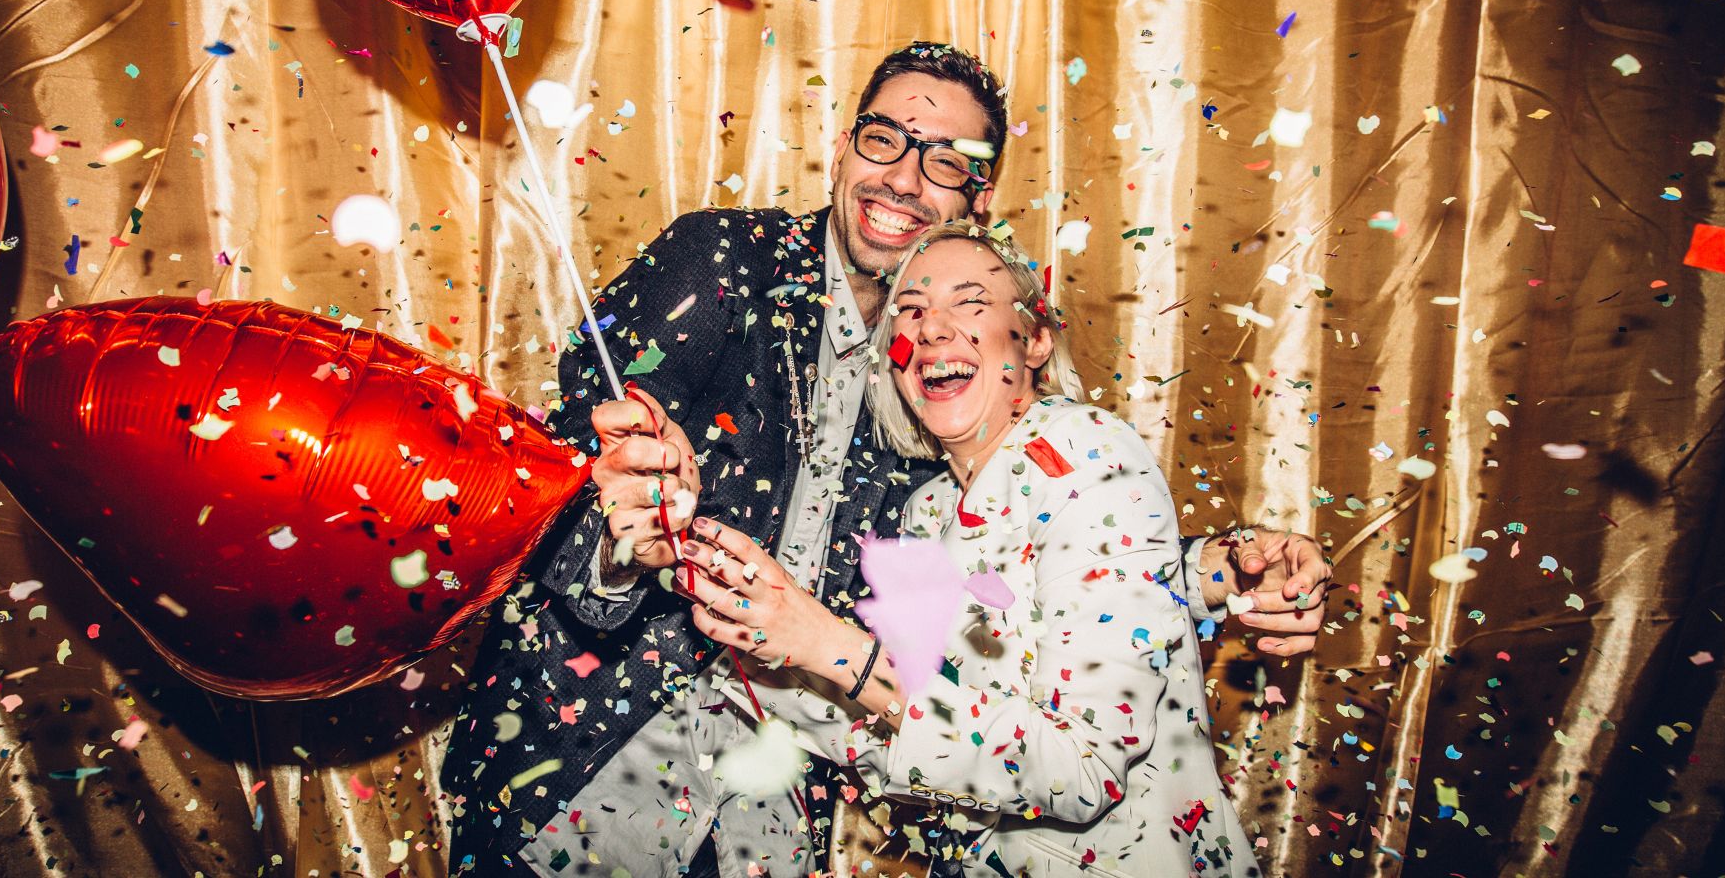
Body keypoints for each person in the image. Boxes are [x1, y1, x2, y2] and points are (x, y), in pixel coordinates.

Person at [445, 43, 1328, 876]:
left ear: (976, 197)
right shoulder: (722, 261)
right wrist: (614, 544)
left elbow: (1019, 581)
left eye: (945, 161)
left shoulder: (939, 392)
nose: (903, 178)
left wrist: (1224, 573)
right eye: (885, 140)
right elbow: (553, 475)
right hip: (586, 765)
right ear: (842, 146)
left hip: (770, 805)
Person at [678, 222, 1258, 876]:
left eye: (970, 301)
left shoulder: (1087, 450)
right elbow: (930, 743)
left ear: (1035, 339)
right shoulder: (928, 513)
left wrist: (827, 645)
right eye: (913, 311)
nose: (930, 328)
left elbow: (1083, 768)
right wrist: (744, 648)